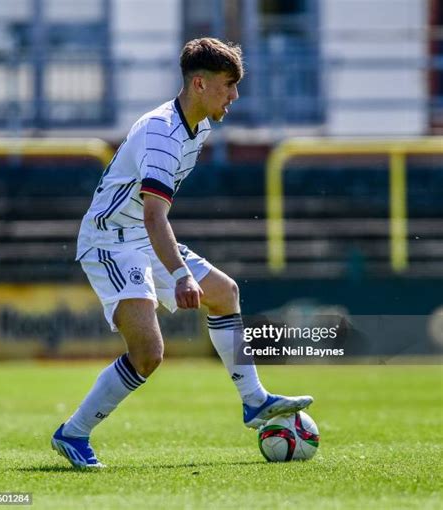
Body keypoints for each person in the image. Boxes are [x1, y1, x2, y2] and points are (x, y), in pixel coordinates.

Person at [51, 38, 313, 468]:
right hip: (110, 241)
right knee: (148, 354)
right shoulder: (162, 133)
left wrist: (178, 269)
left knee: (225, 293)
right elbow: (154, 215)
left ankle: (254, 401)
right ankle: (73, 433)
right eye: (228, 85)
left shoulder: (200, 125)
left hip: (140, 234)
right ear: (199, 84)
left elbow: (152, 217)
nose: (235, 95)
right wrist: (181, 275)